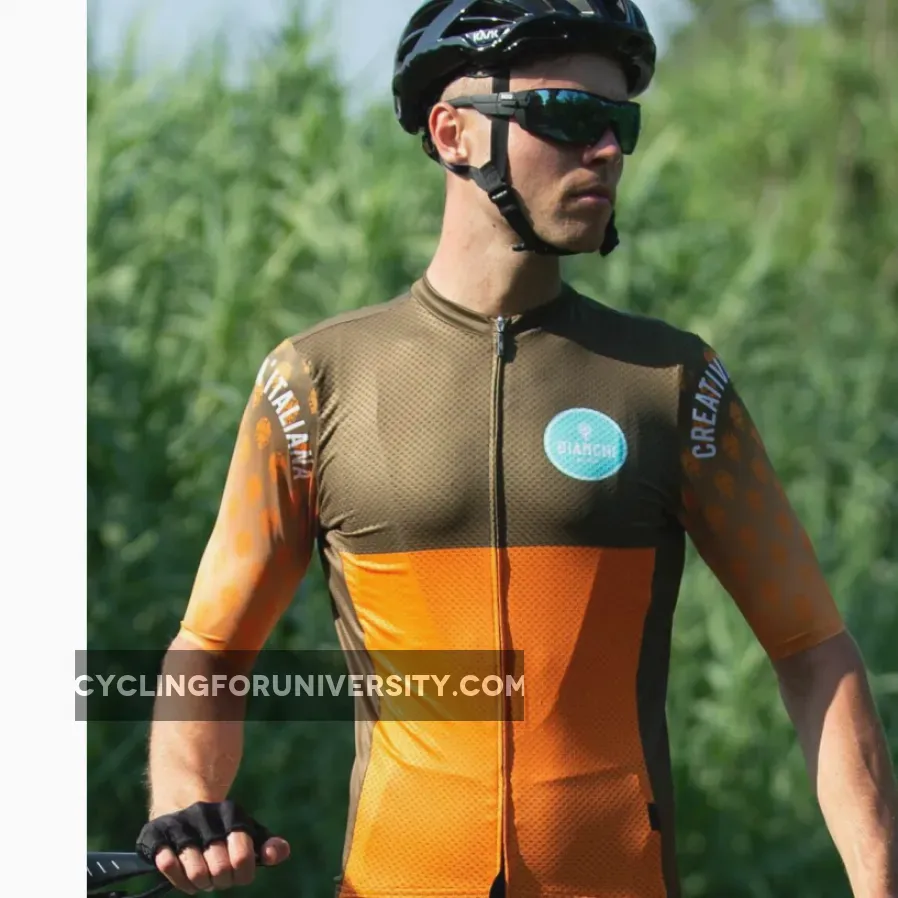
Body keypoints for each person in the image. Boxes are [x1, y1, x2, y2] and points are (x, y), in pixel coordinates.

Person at [137, 1, 898, 896]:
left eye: (620, 124)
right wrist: (187, 806)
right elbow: (212, 647)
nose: (606, 150)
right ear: (452, 133)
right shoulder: (315, 381)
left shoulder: (672, 380)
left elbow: (813, 650)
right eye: (568, 116)